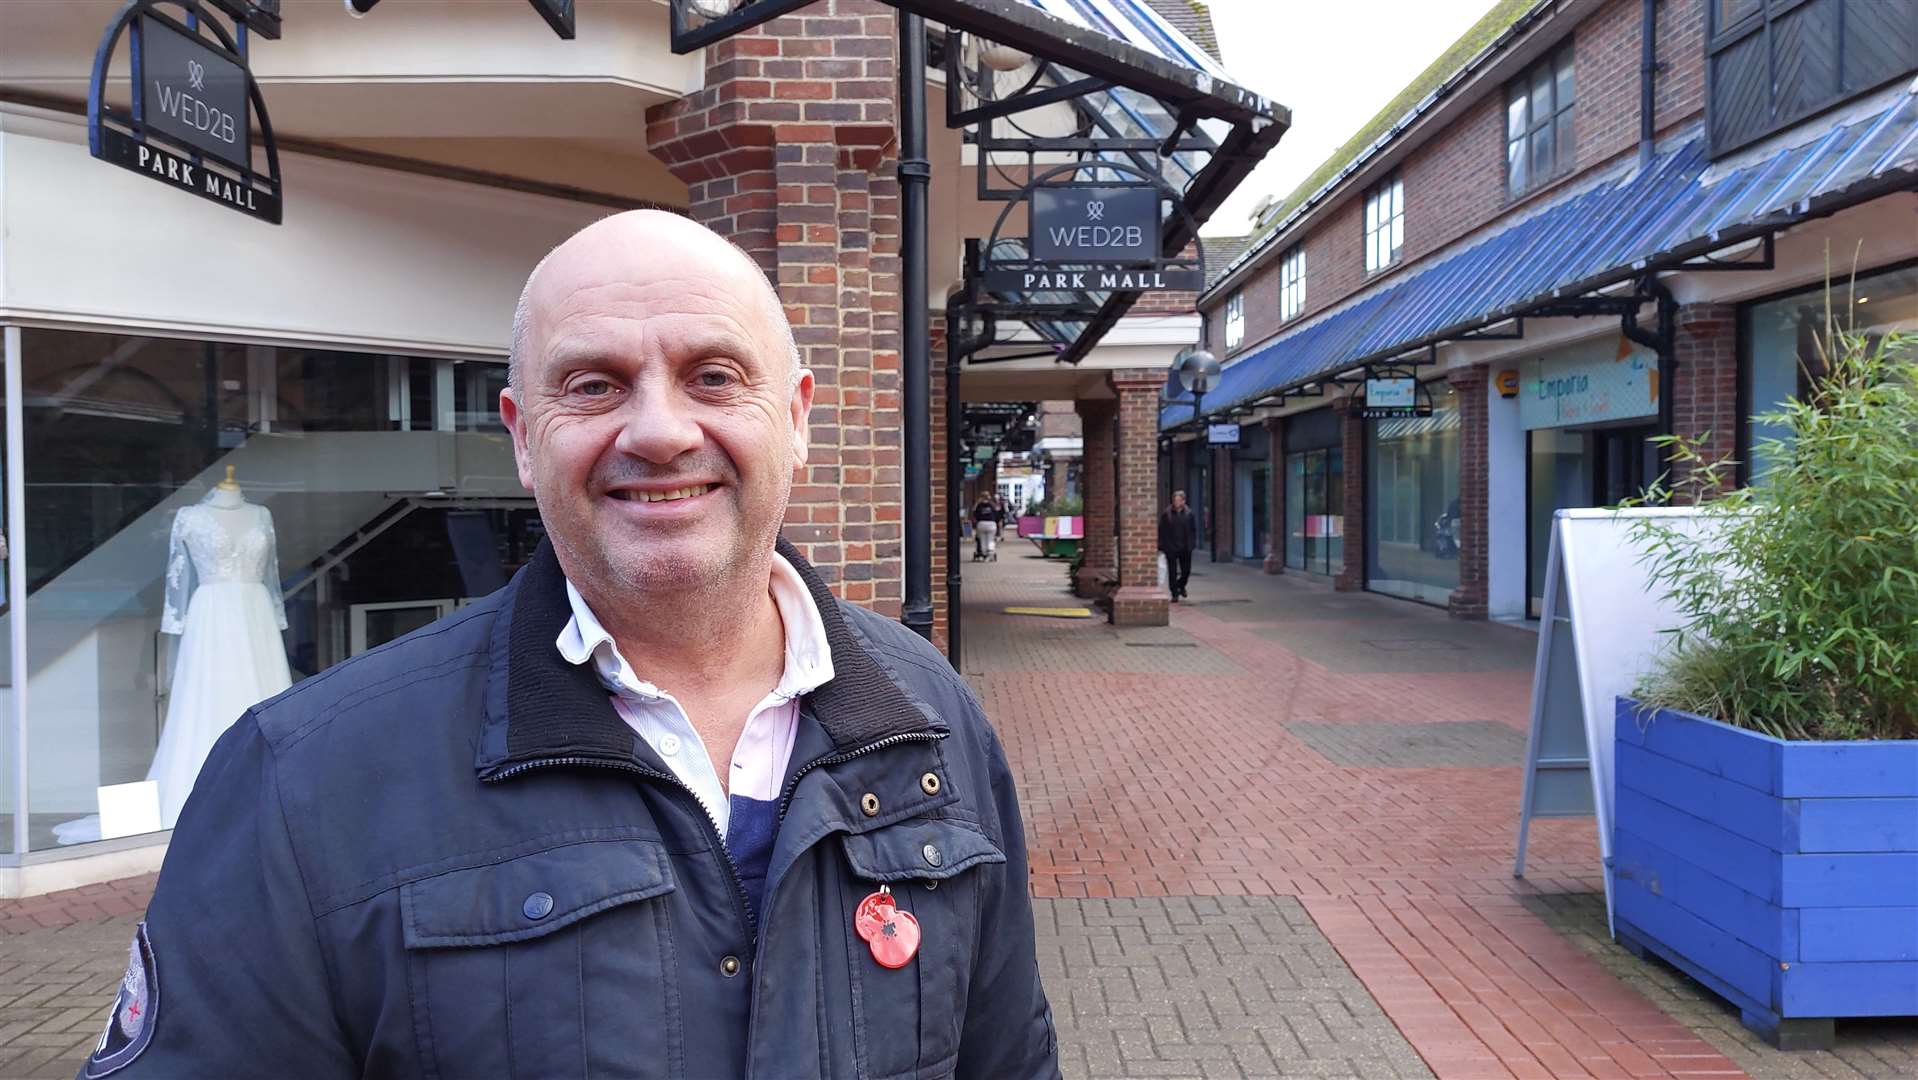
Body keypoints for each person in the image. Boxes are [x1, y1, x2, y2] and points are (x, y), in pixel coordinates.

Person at [77, 211, 1059, 1080]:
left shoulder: (931, 716)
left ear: (796, 418)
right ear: (519, 435)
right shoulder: (300, 783)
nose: (663, 431)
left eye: (713, 376)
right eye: (594, 385)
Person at [1158, 489, 1199, 602]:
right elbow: (1161, 530)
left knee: (1186, 571)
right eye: (1174, 500)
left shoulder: (1189, 514)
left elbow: (1193, 530)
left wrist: (1192, 544)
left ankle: (1180, 585)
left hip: (1185, 547)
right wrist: (1162, 546)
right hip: (1171, 547)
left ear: (1183, 501)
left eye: (1178, 500)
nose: (1176, 502)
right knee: (1172, 571)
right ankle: (1174, 593)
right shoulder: (1167, 514)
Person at [971, 494, 1001, 562]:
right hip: (991, 523)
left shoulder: (979, 505)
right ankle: (990, 554)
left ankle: (983, 555)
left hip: (981, 523)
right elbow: (997, 514)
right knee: (990, 540)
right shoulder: (992, 505)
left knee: (982, 540)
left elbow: (975, 514)